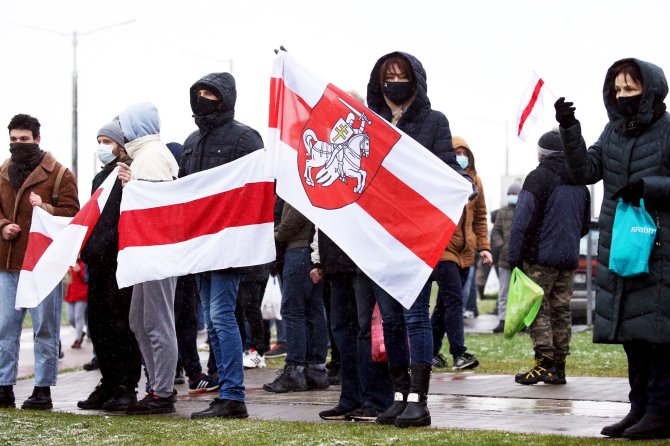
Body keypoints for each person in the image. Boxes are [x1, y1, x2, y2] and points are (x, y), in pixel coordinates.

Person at [555, 58, 670, 440]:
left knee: (657, 336)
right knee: (633, 336)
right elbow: (584, 171)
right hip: (623, 245)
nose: (622, 97)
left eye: (630, 89)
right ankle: (639, 408)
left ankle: (662, 410)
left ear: (649, 90)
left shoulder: (669, 130)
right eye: (617, 89)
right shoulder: (613, 131)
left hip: (660, 248)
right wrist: (569, 129)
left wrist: (648, 187)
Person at [365, 52, 474, 428]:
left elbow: (443, 167)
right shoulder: (371, 122)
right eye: (387, 75)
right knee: (391, 320)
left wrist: (462, 186)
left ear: (416, 79)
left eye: (401, 75)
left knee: (414, 317)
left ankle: (419, 398)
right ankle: (398, 395)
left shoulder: (433, 121)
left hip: (414, 235)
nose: (394, 81)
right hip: (380, 236)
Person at [180, 72, 264, 419]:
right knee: (214, 322)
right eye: (199, 92)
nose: (204, 98)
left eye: (211, 93)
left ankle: (233, 395)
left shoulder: (246, 138)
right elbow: (183, 190)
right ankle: (224, 387)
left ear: (225, 97)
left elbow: (259, 189)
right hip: (200, 244)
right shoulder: (191, 140)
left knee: (221, 315)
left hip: (230, 243)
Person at [0, 114, 79, 410]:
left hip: (44, 265)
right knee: (5, 327)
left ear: (37, 139)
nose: (18, 144)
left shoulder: (60, 174)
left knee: (46, 328)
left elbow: (73, 215)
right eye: (13, 139)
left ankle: (43, 389)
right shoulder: (3, 171)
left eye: (24, 139)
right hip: (8, 262)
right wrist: (3, 225)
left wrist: (44, 207)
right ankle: (4, 386)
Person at [508, 129, 590, 387]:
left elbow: (522, 220)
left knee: (537, 308)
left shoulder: (538, 177)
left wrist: (514, 256)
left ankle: (543, 362)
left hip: (540, 257)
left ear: (542, 153)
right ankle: (559, 367)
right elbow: (584, 225)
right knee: (561, 309)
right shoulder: (580, 181)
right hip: (568, 257)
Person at [116, 102, 180, 415]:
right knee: (140, 320)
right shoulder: (145, 155)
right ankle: (157, 386)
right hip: (149, 251)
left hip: (156, 251)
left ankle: (163, 392)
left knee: (157, 322)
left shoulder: (152, 155)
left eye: (125, 123)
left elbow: (157, 206)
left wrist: (134, 187)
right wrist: (133, 184)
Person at [78, 118, 143, 411]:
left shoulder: (128, 173)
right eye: (100, 141)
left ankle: (125, 386)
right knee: (99, 325)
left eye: (108, 141)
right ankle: (107, 381)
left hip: (120, 261)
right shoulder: (99, 178)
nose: (102, 147)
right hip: (98, 263)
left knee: (121, 326)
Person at [430, 136, 491, 371]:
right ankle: (459, 353)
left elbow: (481, 218)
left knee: (445, 304)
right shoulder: (441, 180)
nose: (461, 156)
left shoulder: (476, 182)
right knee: (455, 300)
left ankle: (431, 352)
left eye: (465, 152)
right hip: (444, 250)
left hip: (467, 252)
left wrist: (484, 247)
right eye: (457, 152)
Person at [263, 202, 329, 393]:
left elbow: (295, 215)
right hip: (311, 250)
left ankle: (295, 370)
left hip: (299, 248)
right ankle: (315, 369)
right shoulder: (307, 178)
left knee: (294, 311)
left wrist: (276, 235)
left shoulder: (296, 180)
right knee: (313, 310)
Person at [490, 182, 521, 333]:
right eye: (510, 194)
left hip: (521, 261)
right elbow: (495, 231)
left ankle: (520, 322)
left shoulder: (525, 210)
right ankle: (502, 320)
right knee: (504, 291)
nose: (512, 197)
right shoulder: (502, 212)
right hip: (504, 259)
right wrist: (502, 246)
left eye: (515, 194)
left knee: (520, 293)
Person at [65, 257, 88, 349]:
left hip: (81, 294)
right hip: (71, 294)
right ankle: (81, 332)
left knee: (78, 317)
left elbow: (87, 278)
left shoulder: (84, 263)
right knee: (70, 318)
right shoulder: (70, 262)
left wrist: (79, 271)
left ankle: (78, 340)